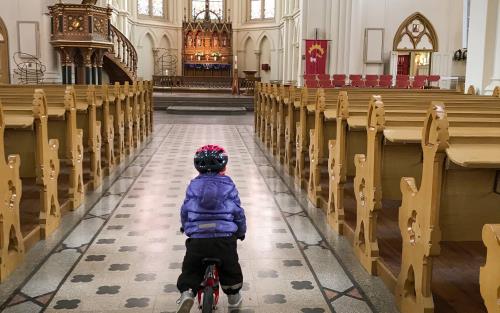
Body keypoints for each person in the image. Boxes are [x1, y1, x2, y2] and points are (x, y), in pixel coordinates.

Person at [176, 144, 246, 313]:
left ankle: (187, 293)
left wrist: (185, 227)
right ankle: (234, 299)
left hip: (198, 239)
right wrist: (241, 231)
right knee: (231, 269)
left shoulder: (193, 185)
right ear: (224, 167)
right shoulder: (228, 184)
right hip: (224, 238)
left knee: (190, 268)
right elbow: (238, 211)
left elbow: (185, 210)